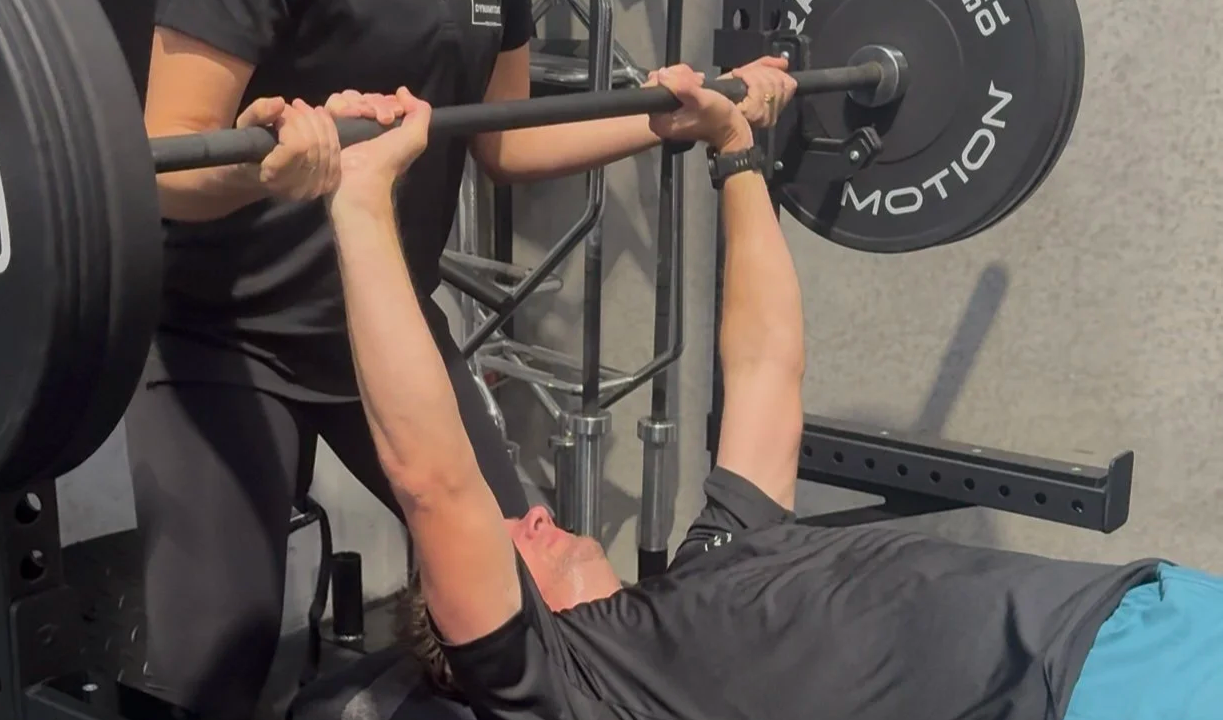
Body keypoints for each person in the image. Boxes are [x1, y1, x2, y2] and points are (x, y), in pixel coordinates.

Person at [128, 0, 791, 714]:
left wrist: (658, 120)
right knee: (216, 674)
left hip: (384, 320)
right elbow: (164, 163)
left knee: (525, 608)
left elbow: (504, 140)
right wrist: (272, 167)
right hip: (221, 342)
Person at [323, 68, 1223, 720]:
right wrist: (361, 201)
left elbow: (763, 367)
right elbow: (435, 483)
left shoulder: (718, 553)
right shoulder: (566, 685)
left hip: (1151, 607)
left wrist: (736, 151)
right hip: (1090, 692)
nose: (525, 514)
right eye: (506, 534)